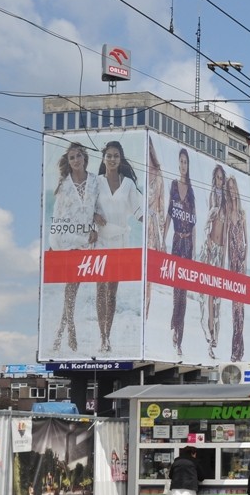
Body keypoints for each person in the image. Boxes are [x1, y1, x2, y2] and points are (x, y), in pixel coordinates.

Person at [49, 142, 99, 353]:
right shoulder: (64, 185)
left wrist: (96, 224)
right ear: (68, 162)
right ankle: (70, 331)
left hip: (86, 241)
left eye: (78, 156)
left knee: (73, 289)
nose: (76, 160)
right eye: (72, 158)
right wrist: (53, 246)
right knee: (71, 287)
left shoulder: (95, 181)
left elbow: (99, 206)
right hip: (68, 241)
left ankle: (61, 332)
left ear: (84, 158)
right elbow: (57, 216)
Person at [94, 140, 143, 354]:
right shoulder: (95, 182)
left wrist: (153, 226)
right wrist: (94, 216)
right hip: (101, 240)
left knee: (112, 291)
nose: (112, 159)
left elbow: (138, 210)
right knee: (100, 288)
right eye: (109, 155)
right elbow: (85, 208)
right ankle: (102, 336)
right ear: (104, 158)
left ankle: (108, 334)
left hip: (121, 241)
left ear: (120, 159)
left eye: (116, 155)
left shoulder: (129, 185)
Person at [168, 147, 197, 356]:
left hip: (188, 245)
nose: (183, 165)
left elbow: (194, 222)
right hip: (176, 241)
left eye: (186, 162)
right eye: (181, 161)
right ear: (178, 163)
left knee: (184, 294)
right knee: (175, 291)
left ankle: (179, 335)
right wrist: (162, 236)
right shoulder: (173, 186)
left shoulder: (192, 189)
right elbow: (170, 213)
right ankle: (174, 326)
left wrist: (194, 252)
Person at [198, 165, 228, 359]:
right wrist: (208, 242)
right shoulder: (211, 197)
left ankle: (215, 333)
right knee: (209, 293)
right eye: (217, 178)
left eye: (222, 179)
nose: (219, 181)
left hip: (219, 251)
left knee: (217, 296)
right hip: (210, 249)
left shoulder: (225, 204)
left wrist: (223, 255)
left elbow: (224, 232)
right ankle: (210, 334)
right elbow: (206, 224)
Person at [144, 140, 168, 319]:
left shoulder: (158, 176)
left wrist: (162, 239)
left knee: (148, 275)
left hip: (151, 230)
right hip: (136, 227)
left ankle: (145, 311)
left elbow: (161, 210)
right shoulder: (135, 169)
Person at [225, 176, 247, 361]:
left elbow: (246, 241)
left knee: (240, 311)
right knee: (234, 312)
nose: (232, 191)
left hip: (240, 265)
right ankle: (237, 349)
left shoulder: (242, 213)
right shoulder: (227, 213)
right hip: (231, 266)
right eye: (229, 188)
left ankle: (237, 350)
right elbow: (225, 241)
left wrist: (244, 263)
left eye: (233, 187)